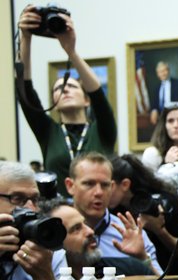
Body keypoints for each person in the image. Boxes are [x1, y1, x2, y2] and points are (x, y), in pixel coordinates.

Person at [16, 6, 116, 196]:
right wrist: (26, 38)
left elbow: (98, 96)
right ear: (54, 100)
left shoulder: (102, 130)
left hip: (97, 211)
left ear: (86, 101)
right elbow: (24, 91)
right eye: (58, 88)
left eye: (72, 86)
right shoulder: (48, 131)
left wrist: (71, 52)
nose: (65, 90)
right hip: (58, 213)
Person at [64, 152, 162, 275]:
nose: (98, 192)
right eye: (89, 184)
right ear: (70, 185)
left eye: (105, 185)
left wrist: (142, 259)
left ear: (112, 187)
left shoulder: (132, 234)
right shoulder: (58, 233)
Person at [109, 154, 178, 280]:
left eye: (107, 185)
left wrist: (159, 230)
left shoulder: (160, 202)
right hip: (138, 274)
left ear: (125, 185)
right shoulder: (112, 209)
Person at [0, 162, 54, 280]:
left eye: (35, 199)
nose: (30, 208)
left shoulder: (48, 248)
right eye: (17, 198)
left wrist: (45, 278)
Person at [45, 200, 154, 278]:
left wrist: (143, 257)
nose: (90, 231)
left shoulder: (127, 268)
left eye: (85, 224)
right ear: (54, 242)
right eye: (76, 228)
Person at [141, 103, 178, 174]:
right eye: (170, 121)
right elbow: (148, 184)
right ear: (164, 126)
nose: (175, 125)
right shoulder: (152, 154)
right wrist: (167, 166)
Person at [149, 61, 178, 126]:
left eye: (164, 70)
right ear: (158, 74)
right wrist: (154, 110)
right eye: (160, 72)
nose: (163, 74)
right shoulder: (157, 88)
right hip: (161, 121)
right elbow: (155, 104)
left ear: (168, 71)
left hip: (177, 121)